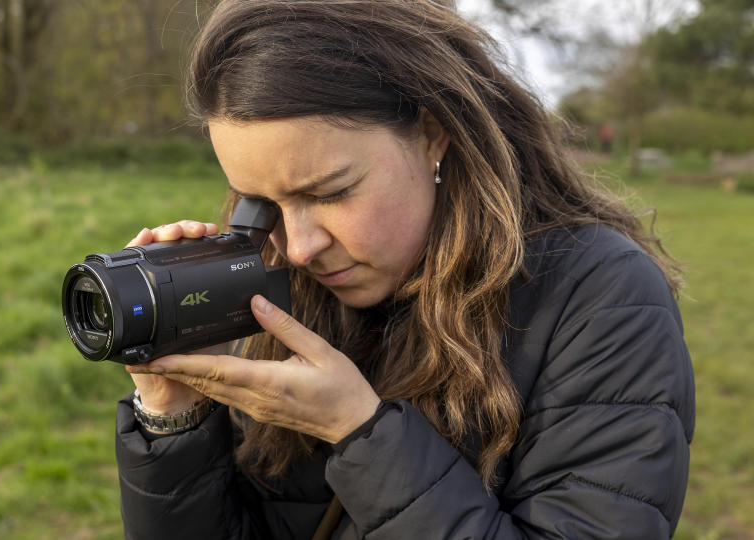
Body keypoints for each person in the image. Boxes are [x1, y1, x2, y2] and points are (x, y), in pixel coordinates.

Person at [114, 1, 695, 538]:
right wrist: (174, 417)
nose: (297, 249)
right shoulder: (276, 285)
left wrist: (359, 432)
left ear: (433, 133)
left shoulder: (602, 299)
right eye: (260, 205)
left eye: (332, 192)